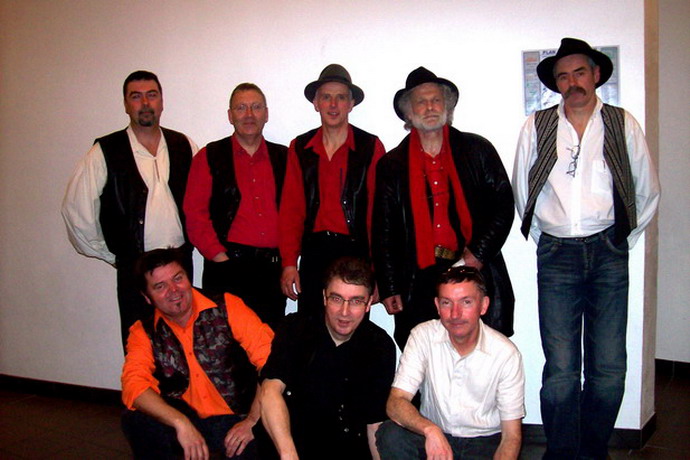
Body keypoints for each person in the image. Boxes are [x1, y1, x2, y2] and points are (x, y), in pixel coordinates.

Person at [513, 38, 660, 459]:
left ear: (596, 75)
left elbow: (647, 189)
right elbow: (524, 190)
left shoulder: (622, 122)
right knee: (560, 370)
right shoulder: (536, 126)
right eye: (563, 76)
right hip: (556, 255)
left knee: (609, 368)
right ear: (556, 84)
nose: (572, 82)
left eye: (580, 72)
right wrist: (549, 237)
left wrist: (621, 239)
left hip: (608, 252)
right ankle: (561, 453)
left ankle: (593, 452)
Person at [372, 67, 515, 349]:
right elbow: (383, 229)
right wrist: (389, 285)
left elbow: (502, 205)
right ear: (408, 112)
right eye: (421, 102)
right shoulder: (392, 165)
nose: (430, 107)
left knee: (480, 355)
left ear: (447, 107)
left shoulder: (477, 150)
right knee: (425, 356)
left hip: (473, 268)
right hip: (418, 278)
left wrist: (478, 252)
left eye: (436, 100)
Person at [62, 70, 198, 348]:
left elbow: (202, 204)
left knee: (186, 344)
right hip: (136, 270)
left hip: (180, 265)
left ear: (162, 101)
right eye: (136, 97)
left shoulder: (184, 145)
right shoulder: (105, 151)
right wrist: (116, 255)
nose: (145, 103)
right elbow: (77, 212)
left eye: (152, 95)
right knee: (140, 346)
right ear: (126, 104)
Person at [121, 248, 274, 459]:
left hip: (238, 417)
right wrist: (180, 422)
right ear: (147, 297)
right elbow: (134, 385)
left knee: (256, 445)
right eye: (160, 286)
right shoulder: (143, 332)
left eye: (178, 278)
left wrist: (252, 421)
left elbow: (271, 362)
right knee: (136, 419)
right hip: (185, 418)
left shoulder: (227, 306)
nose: (173, 290)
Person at [376, 266, 524, 459]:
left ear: (484, 305)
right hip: (436, 434)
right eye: (447, 303)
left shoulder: (506, 353)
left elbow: (511, 437)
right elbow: (395, 403)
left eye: (466, 302)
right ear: (437, 306)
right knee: (390, 434)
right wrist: (429, 430)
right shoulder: (422, 336)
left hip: (484, 442)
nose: (455, 314)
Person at [260, 257, 396, 460]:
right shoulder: (296, 328)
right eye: (336, 299)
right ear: (324, 297)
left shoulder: (380, 345)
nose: (344, 312)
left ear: (368, 303)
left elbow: (374, 423)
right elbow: (270, 391)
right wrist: (288, 454)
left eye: (356, 301)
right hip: (288, 445)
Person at [279, 64, 386, 315]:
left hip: (356, 253)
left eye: (341, 97)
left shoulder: (371, 147)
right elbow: (291, 210)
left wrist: (378, 270)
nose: (333, 105)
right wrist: (289, 262)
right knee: (311, 326)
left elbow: (379, 215)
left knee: (352, 327)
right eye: (326, 97)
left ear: (351, 104)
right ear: (316, 103)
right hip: (314, 254)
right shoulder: (300, 148)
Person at [184, 83, 287, 328]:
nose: (249, 114)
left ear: (266, 114)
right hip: (226, 267)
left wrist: (289, 260)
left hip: (272, 271)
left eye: (256, 107)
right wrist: (219, 258)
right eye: (241, 108)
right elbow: (194, 214)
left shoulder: (285, 157)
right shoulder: (209, 156)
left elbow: (296, 213)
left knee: (270, 342)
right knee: (225, 345)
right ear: (230, 116)